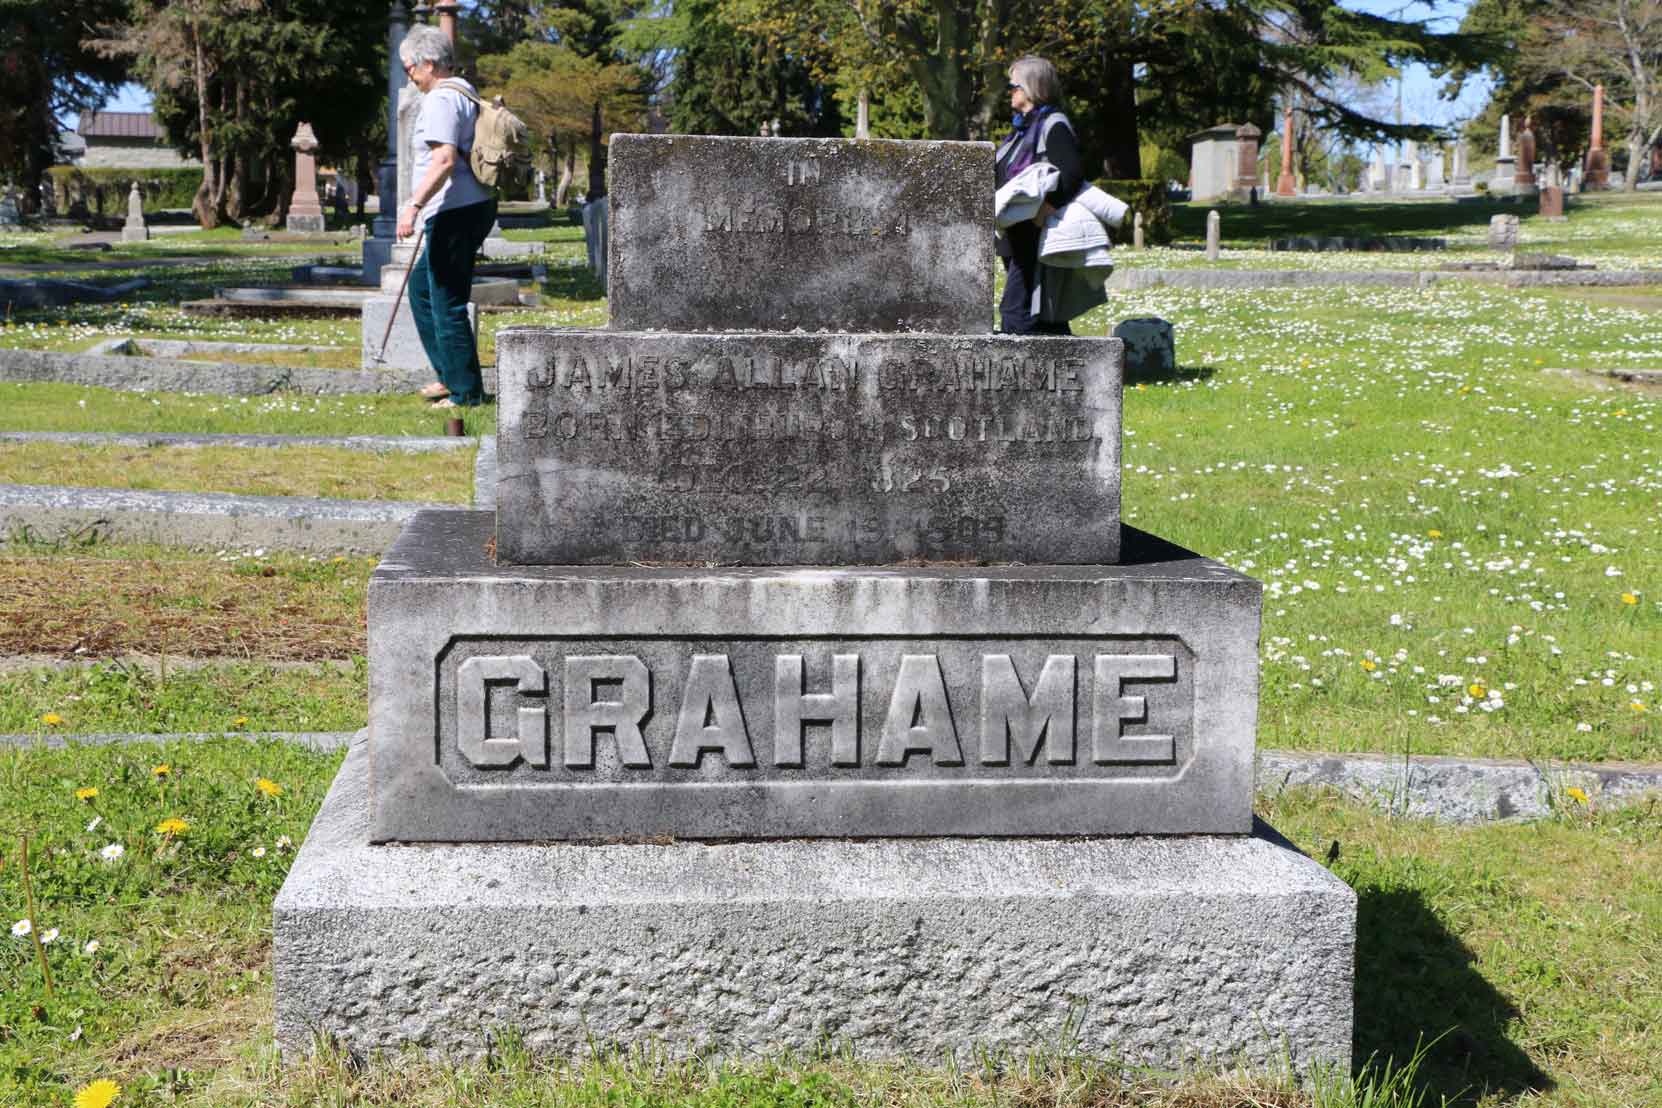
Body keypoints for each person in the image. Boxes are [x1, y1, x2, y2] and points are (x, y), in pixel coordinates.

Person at [397, 25, 498, 408]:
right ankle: (451, 376)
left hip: (454, 210)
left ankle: (466, 394)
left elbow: (443, 159)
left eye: (410, 67)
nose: (409, 74)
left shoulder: (441, 99)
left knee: (446, 300)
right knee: (422, 289)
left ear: (428, 63)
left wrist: (414, 205)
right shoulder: (463, 92)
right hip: (468, 205)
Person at [993, 56, 1084, 335]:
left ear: (1032, 87)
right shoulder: (1023, 127)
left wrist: (1045, 208)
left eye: (1014, 85)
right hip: (1017, 235)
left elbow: (1071, 174)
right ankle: (1080, 372)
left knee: (1017, 311)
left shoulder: (1052, 124)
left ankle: (1019, 375)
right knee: (1043, 312)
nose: (1010, 91)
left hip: (1037, 235)